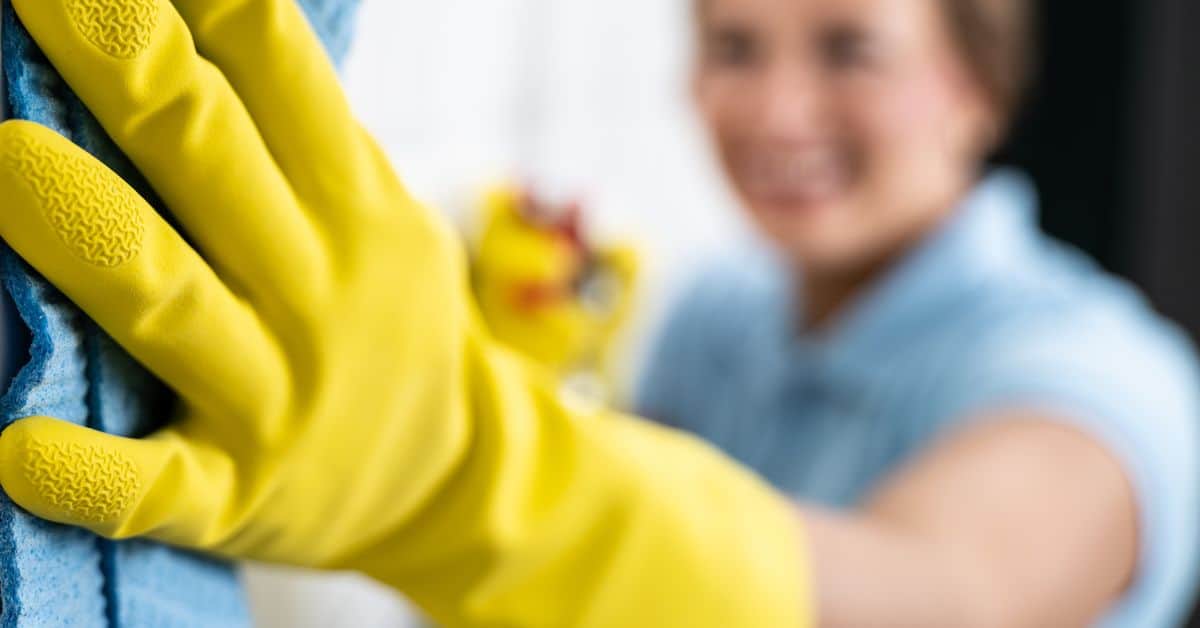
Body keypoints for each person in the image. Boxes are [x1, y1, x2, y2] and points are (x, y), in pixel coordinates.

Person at [0, 1, 1193, 628]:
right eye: (735, 46)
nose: (778, 109)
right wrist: (520, 341)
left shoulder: (1099, 374)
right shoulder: (729, 318)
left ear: (979, 88)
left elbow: (950, 599)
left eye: (850, 50)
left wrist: (450, 474)